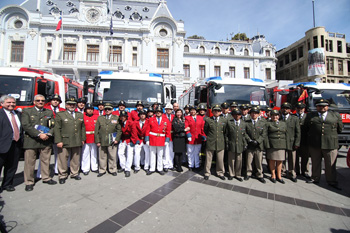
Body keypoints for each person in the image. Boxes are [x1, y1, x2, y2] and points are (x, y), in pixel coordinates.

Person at [305, 98, 343, 190]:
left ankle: (331, 180)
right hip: (315, 143)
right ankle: (315, 178)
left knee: (330, 164)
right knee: (315, 162)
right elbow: (307, 128)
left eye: (324, 106)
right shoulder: (311, 116)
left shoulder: (335, 115)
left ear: (327, 107)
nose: (322, 107)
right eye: (319, 106)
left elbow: (339, 128)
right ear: (316, 107)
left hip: (330, 143)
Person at [22, 94, 56, 191]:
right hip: (32, 140)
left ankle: (46, 177)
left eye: (42, 101)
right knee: (30, 162)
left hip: (45, 140)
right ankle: (29, 182)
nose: (40, 102)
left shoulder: (49, 112)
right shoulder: (27, 111)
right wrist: (38, 134)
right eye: (38, 100)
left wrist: (49, 134)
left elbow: (53, 125)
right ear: (34, 102)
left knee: (46, 160)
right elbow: (26, 125)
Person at [54, 97, 86, 184]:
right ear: (66, 105)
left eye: (73, 104)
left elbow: (82, 128)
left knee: (75, 158)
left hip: (77, 140)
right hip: (65, 140)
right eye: (70, 104)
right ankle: (62, 175)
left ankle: (74, 173)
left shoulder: (79, 115)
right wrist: (58, 141)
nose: (72, 106)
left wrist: (83, 138)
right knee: (63, 158)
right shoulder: (60, 114)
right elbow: (57, 129)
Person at [0, 95, 22, 192]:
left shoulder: (18, 114)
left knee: (12, 166)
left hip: (15, 144)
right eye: (8, 102)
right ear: (2, 103)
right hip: (2, 145)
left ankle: (7, 184)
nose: (11, 104)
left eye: (13, 102)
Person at [95, 103, 122, 177]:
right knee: (102, 156)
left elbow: (119, 130)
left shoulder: (116, 118)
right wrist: (97, 141)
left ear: (112, 110)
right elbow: (96, 130)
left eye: (109, 109)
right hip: (102, 140)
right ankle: (102, 170)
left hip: (112, 141)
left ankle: (112, 169)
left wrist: (117, 139)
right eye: (106, 109)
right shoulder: (100, 118)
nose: (107, 110)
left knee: (112, 156)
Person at [203, 104, 227, 180]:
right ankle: (207, 172)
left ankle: (220, 172)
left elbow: (225, 132)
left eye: (218, 111)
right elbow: (205, 130)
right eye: (215, 111)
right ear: (212, 112)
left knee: (220, 159)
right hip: (211, 141)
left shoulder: (224, 120)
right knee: (208, 159)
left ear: (220, 112)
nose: (216, 112)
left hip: (220, 142)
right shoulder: (208, 120)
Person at [145, 105, 171, 175]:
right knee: (152, 154)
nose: (158, 113)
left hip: (161, 139)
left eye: (159, 112)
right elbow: (147, 130)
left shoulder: (166, 120)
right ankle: (152, 168)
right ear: (155, 112)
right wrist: (147, 139)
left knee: (160, 155)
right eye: (157, 112)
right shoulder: (151, 119)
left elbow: (168, 131)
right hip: (152, 139)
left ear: (162, 113)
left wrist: (167, 140)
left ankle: (160, 168)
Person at [245, 107, 267, 183]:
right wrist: (249, 140)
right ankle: (248, 173)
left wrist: (258, 141)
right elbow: (245, 133)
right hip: (250, 145)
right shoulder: (247, 123)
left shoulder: (262, 123)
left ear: (258, 114)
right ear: (250, 114)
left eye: (256, 113)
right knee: (249, 161)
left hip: (258, 145)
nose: (254, 114)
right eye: (252, 113)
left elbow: (264, 134)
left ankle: (259, 174)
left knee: (258, 161)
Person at [44, 94, 65, 175]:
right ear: (50, 101)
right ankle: (42, 173)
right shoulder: (46, 109)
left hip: (58, 134)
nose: (55, 101)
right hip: (48, 134)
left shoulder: (62, 110)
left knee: (59, 153)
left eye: (57, 100)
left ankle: (57, 169)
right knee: (45, 155)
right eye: (53, 100)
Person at [280, 102, 300, 182]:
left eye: (287, 108)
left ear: (289, 110)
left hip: (291, 142)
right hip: (281, 142)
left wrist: (297, 143)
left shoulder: (294, 119)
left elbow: (298, 132)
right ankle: (282, 172)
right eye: (283, 108)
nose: (285, 110)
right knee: (282, 158)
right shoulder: (279, 118)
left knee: (292, 159)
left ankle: (292, 173)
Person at [266, 110, 287, 184]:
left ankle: (279, 175)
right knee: (272, 160)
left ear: (279, 116)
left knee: (280, 160)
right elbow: (265, 135)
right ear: (270, 116)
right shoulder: (268, 124)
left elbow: (286, 134)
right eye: (273, 115)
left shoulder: (283, 123)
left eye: (276, 115)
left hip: (281, 144)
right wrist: (267, 144)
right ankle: (273, 175)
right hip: (272, 144)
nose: (275, 117)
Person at [226, 109, 247, 182]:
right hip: (231, 143)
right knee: (231, 160)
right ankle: (231, 174)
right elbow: (226, 134)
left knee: (239, 160)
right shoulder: (229, 123)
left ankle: (238, 174)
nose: (237, 116)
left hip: (240, 144)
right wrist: (227, 143)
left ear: (241, 116)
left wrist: (245, 144)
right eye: (235, 115)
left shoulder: (243, 123)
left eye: (238, 115)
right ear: (232, 115)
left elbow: (244, 135)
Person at [185, 105, 205, 171]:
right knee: (190, 152)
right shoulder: (187, 118)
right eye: (191, 110)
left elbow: (202, 128)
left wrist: (203, 135)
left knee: (197, 152)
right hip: (191, 138)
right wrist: (188, 135)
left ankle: (197, 165)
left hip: (198, 138)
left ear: (196, 111)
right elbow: (186, 126)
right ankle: (190, 165)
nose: (192, 111)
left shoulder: (200, 118)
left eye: (194, 110)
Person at [81, 103, 99, 175]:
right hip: (86, 137)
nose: (90, 111)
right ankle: (85, 168)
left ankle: (94, 167)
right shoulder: (82, 117)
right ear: (85, 110)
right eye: (88, 109)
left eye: (91, 109)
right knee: (85, 154)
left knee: (94, 153)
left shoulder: (97, 117)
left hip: (94, 137)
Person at [294, 102, 310, 178]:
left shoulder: (308, 117)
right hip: (295, 140)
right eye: (298, 108)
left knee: (305, 157)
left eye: (301, 108)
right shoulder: (293, 117)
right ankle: (296, 170)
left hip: (305, 140)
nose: (300, 110)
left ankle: (305, 171)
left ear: (304, 109)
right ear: (296, 109)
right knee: (295, 157)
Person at [117, 110, 134, 177]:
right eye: (122, 116)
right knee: (120, 153)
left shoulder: (131, 123)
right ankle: (123, 166)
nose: (123, 118)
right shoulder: (120, 123)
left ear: (126, 117)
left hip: (130, 139)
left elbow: (134, 133)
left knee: (129, 154)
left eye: (124, 116)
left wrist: (133, 141)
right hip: (123, 139)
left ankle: (128, 169)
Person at [163, 103, 175, 171]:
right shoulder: (163, 116)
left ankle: (171, 164)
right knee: (165, 151)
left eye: (170, 109)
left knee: (171, 151)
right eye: (167, 109)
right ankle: (165, 165)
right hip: (165, 137)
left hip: (172, 136)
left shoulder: (173, 116)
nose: (168, 110)